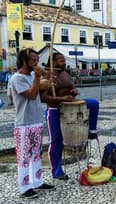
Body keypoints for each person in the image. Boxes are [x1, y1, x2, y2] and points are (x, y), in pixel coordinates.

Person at [40, 53, 100, 180]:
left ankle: (92, 131)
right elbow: (43, 98)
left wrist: (74, 91)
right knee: (56, 141)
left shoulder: (65, 73)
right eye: (61, 61)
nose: (64, 63)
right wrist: (62, 98)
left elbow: (73, 88)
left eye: (64, 60)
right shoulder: (46, 75)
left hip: (70, 105)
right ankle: (56, 171)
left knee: (93, 103)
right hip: (55, 109)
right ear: (53, 62)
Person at [10, 48, 55, 199]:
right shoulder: (17, 78)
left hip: (36, 120)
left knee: (36, 154)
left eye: (37, 60)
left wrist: (48, 81)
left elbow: (40, 96)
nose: (36, 63)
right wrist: (37, 78)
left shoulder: (31, 76)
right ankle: (24, 187)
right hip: (24, 123)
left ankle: (37, 181)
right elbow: (30, 95)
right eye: (33, 60)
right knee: (24, 156)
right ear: (24, 61)